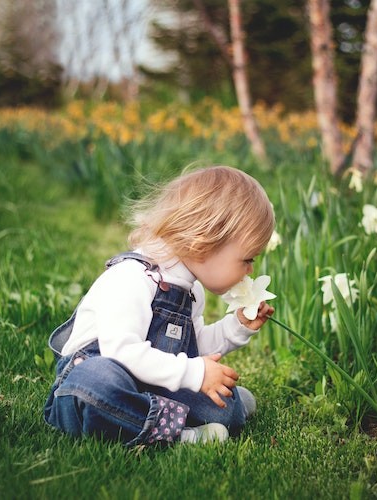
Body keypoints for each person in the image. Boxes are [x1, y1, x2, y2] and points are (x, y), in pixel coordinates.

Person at [43, 165, 276, 446]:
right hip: (96, 382)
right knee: (96, 383)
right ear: (204, 243)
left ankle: (216, 409)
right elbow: (122, 352)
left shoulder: (191, 290)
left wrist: (236, 327)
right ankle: (178, 435)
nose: (250, 270)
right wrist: (194, 373)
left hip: (149, 382)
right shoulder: (132, 277)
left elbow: (193, 348)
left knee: (225, 407)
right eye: (247, 259)